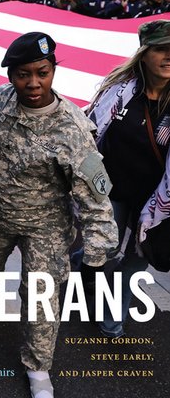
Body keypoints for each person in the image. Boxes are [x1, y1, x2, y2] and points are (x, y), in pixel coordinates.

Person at [0, 32, 118, 398]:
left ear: (53, 71)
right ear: (10, 76)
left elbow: (95, 195)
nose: (33, 83)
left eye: (42, 72)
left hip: (45, 226)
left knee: (40, 297)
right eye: (22, 74)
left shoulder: (73, 128)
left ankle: (38, 369)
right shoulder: (2, 99)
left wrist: (98, 248)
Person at [84, 19, 170, 338]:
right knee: (105, 249)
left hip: (157, 202)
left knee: (136, 259)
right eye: (161, 49)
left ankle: (113, 310)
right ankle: (85, 261)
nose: (169, 56)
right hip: (113, 191)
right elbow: (90, 125)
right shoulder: (119, 90)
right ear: (144, 54)